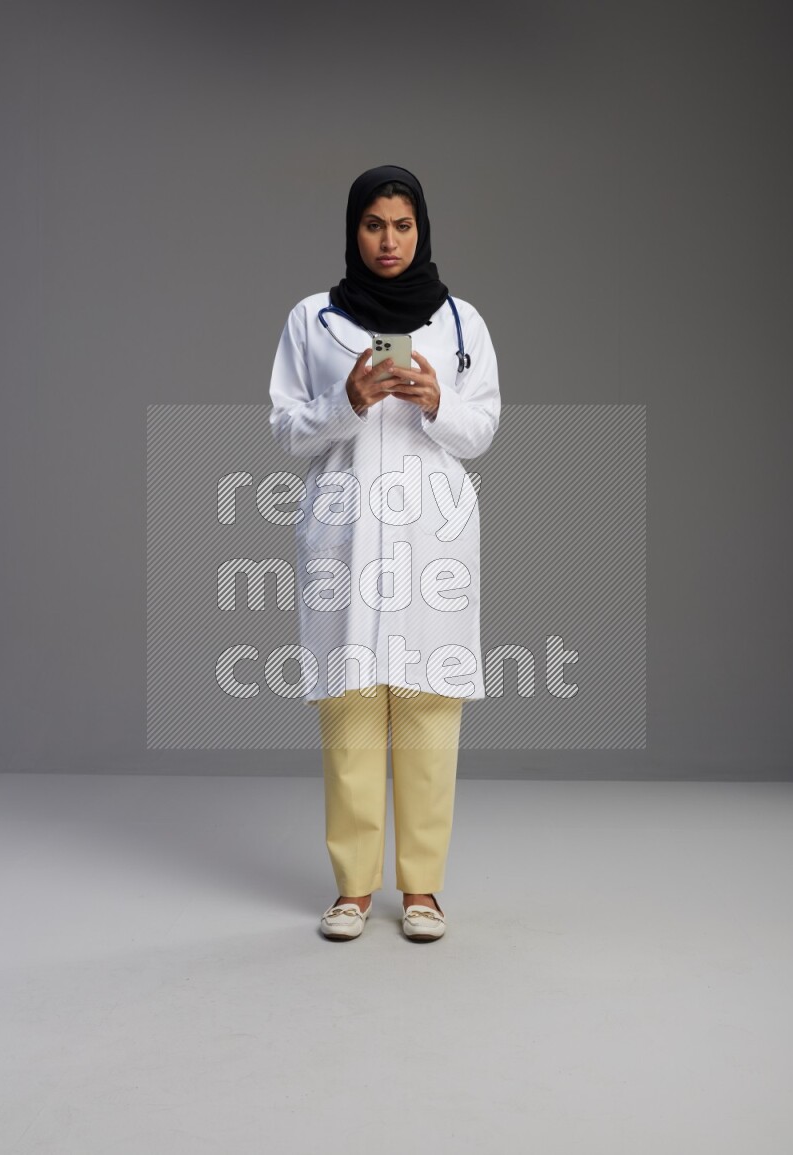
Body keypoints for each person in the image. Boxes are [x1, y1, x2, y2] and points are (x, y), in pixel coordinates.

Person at [268, 164, 500, 942]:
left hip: (431, 535)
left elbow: (484, 429)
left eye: (402, 225)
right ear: (353, 231)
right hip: (346, 533)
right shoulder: (313, 319)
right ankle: (353, 890)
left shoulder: (460, 321)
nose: (389, 240)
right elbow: (286, 428)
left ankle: (424, 889)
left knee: (431, 708)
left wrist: (437, 403)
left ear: (421, 229)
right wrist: (349, 403)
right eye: (374, 224)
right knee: (351, 707)